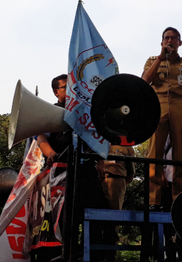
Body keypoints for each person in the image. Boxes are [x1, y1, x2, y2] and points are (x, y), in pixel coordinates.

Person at [36, 74, 107, 261]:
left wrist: (100, 163)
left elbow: (96, 139)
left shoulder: (84, 110)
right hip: (62, 173)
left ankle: (93, 254)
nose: (70, 90)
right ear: (55, 92)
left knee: (96, 214)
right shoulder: (51, 111)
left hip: (86, 172)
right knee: (67, 219)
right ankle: (68, 255)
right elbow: (42, 138)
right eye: (65, 87)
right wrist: (50, 153)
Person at [142, 26, 182, 210]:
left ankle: (179, 199)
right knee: (155, 153)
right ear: (162, 42)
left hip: (180, 106)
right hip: (157, 104)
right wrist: (161, 57)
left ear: (180, 42)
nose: (170, 40)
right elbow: (144, 81)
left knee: (180, 155)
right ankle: (154, 200)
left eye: (174, 38)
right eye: (167, 38)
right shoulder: (153, 60)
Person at [102, 145, 135, 262]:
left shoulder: (126, 147)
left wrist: (118, 182)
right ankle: (94, 254)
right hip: (97, 180)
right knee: (94, 219)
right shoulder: (98, 139)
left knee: (112, 220)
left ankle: (111, 256)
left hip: (116, 181)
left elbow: (131, 173)